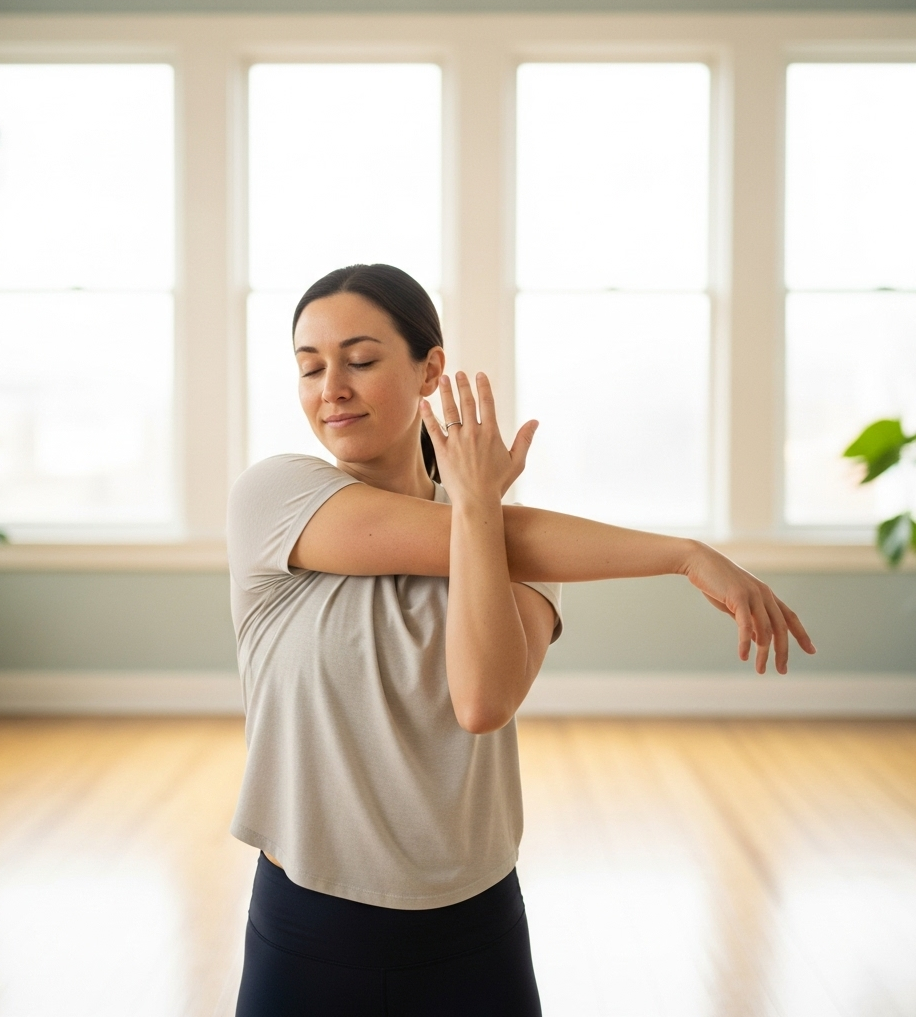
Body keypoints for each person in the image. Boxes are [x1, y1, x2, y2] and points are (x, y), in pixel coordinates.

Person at [226, 263, 815, 1017]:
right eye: (310, 367)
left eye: (362, 360)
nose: (331, 387)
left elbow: (480, 700)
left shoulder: (528, 553)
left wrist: (479, 511)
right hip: (308, 925)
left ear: (430, 368)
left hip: (470, 932)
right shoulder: (274, 498)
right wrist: (681, 553)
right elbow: (465, 533)